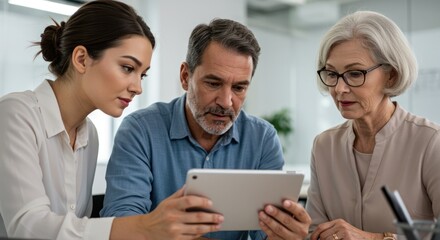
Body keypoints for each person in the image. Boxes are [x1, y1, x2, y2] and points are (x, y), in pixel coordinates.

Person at [101, 18, 311, 240]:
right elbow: (123, 222)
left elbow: (264, 234)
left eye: (239, 88)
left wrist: (284, 234)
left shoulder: (262, 139)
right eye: (213, 83)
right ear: (185, 76)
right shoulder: (140, 130)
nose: (226, 102)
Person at [0, 0, 182, 239]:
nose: (138, 87)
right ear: (82, 59)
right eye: (128, 68)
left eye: (143, 75)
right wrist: (143, 227)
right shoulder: (15, 114)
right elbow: (27, 225)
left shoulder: (89, 135)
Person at [306, 10, 440, 240]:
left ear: (392, 75)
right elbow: (313, 233)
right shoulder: (323, 146)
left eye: (355, 73)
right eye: (331, 74)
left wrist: (375, 238)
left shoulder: (430, 143)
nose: (339, 89)